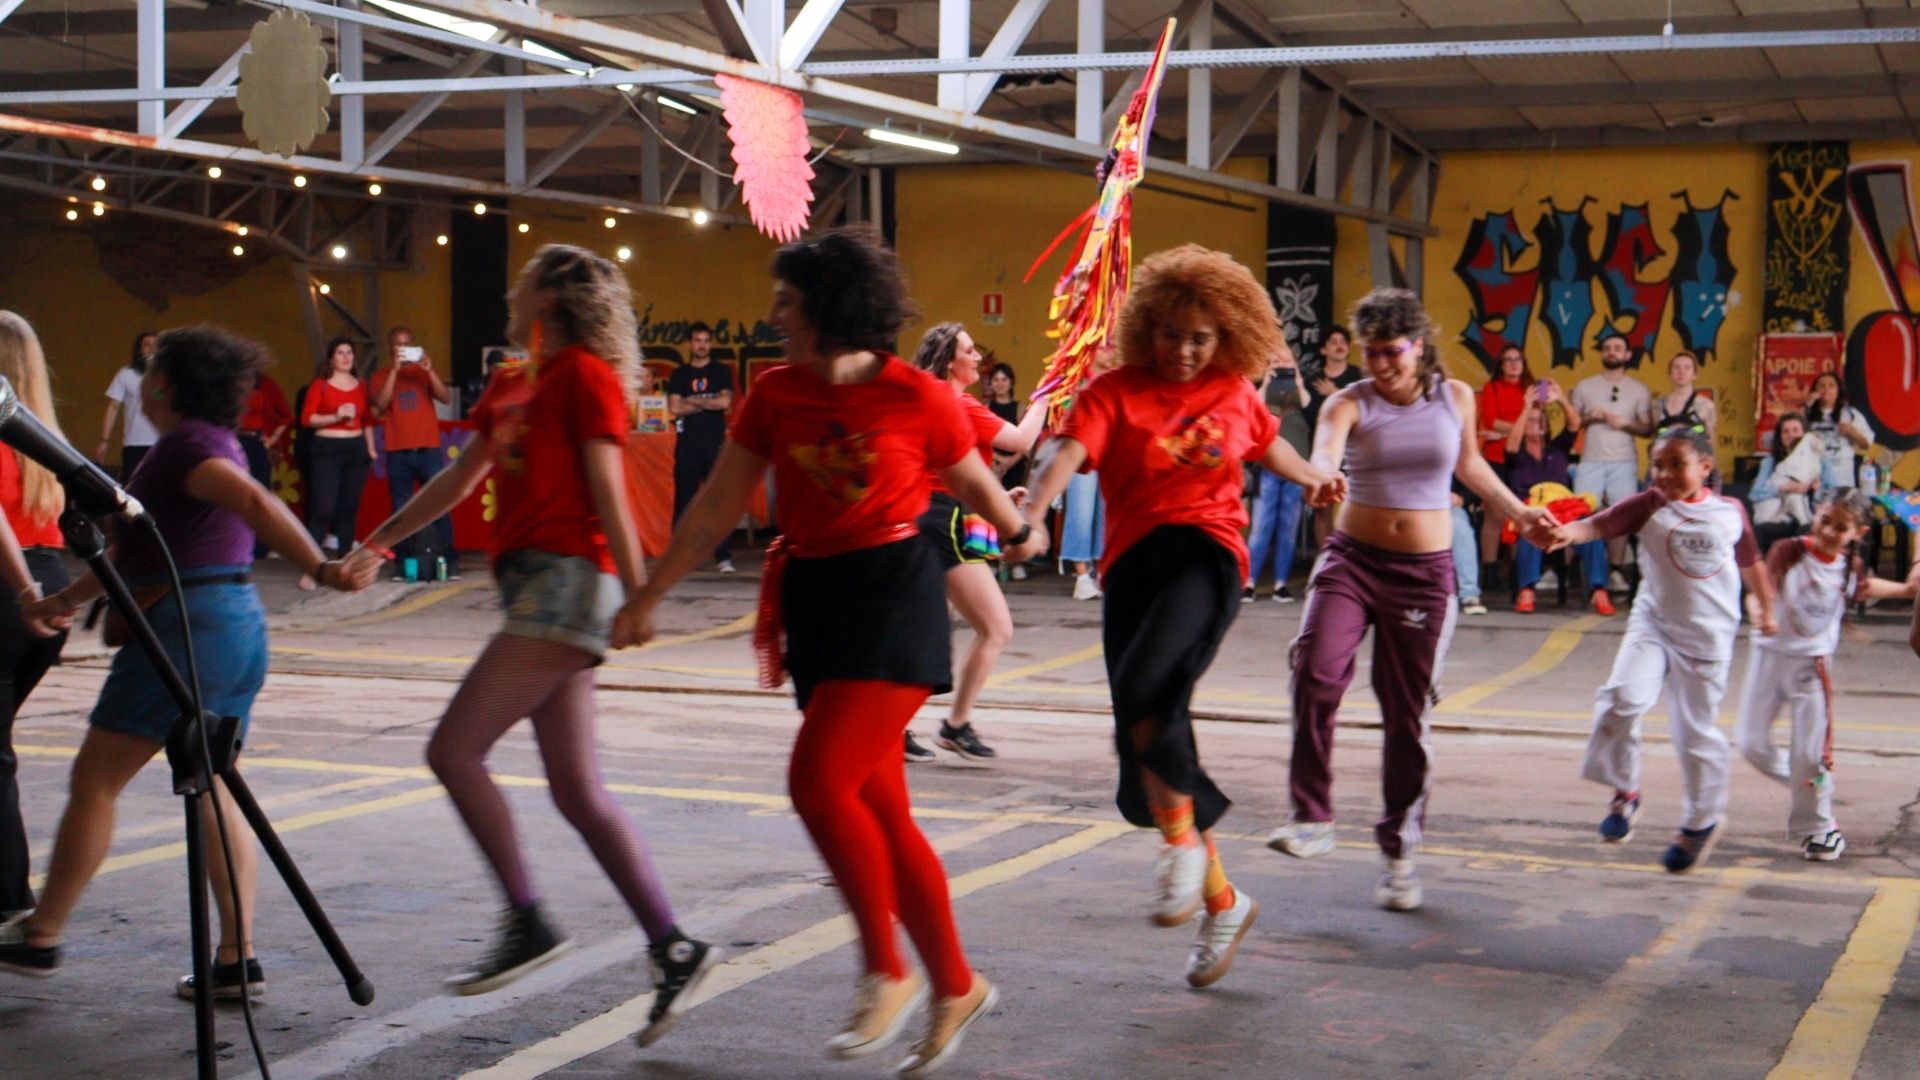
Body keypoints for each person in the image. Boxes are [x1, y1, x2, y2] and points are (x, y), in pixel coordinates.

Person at [622, 226, 1027, 1074]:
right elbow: (712, 508)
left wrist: (1017, 523)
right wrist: (652, 593)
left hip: (893, 597)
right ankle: (956, 983)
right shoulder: (773, 394)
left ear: (830, 310)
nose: (773, 314)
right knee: (881, 808)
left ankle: (887, 968)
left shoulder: (917, 395)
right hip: (816, 602)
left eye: (787, 301)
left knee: (816, 781)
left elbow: (973, 482)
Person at [345, 247, 719, 1040]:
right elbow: (460, 478)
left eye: (523, 282)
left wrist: (642, 592)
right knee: (577, 792)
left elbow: (609, 487)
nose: (510, 290)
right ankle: (674, 945)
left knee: (453, 751)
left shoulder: (583, 376)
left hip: (569, 580)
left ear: (549, 296)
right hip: (531, 584)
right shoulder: (517, 380)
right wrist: (381, 541)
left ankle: (527, 921)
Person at [0, 326, 375, 993]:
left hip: (188, 626)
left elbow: (251, 498)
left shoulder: (185, 449)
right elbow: (132, 553)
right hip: (234, 623)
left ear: (164, 384)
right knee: (212, 778)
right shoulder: (212, 441)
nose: (143, 379)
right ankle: (237, 958)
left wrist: (320, 564)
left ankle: (42, 933)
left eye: (150, 370)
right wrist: (62, 599)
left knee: (95, 782)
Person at [1023, 245, 1340, 986]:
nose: (1185, 352)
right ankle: (1222, 901)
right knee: (1145, 721)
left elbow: (1272, 448)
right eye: (1171, 334)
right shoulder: (1114, 393)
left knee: (1146, 690)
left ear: (1225, 336)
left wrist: (1318, 478)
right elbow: (1062, 457)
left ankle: (1180, 849)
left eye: (1201, 338)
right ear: (1147, 328)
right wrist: (1033, 512)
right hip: (1132, 570)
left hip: (1206, 557)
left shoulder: (1233, 392)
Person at [1272, 288, 1554, 912]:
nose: (1379, 365)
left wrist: (1517, 513)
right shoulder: (1349, 401)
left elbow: (1473, 467)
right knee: (1315, 670)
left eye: (1391, 352)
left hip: (1423, 575)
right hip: (1351, 560)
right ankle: (1311, 816)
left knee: (1405, 717)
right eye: (1370, 353)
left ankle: (1399, 852)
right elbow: (1324, 450)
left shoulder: (1456, 397)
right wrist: (1322, 477)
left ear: (1418, 345)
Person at [1551, 427, 1775, 874]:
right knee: (1621, 699)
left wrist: (1765, 608)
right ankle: (1625, 790)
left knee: (1694, 734)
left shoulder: (1731, 512)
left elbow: (1752, 564)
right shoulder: (1647, 505)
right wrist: (1562, 534)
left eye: (1678, 464)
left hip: (1708, 635)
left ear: (1705, 468)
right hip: (1653, 623)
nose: (1666, 474)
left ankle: (1700, 821)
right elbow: (1595, 525)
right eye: (1658, 465)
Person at [1738, 490, 1917, 861]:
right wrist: (1760, 611)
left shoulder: (1848, 567)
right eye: (1825, 520)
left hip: (1811, 667)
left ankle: (1821, 827)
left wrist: (1905, 589)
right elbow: (1762, 588)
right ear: (1814, 514)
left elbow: (1864, 589)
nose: (1829, 531)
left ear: (1858, 532)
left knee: (1810, 754)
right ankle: (1816, 788)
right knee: (1752, 745)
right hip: (1769, 657)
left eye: (1841, 526)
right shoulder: (1789, 551)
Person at [910, 323, 1048, 763]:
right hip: (942, 522)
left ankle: (914, 724)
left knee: (930, 633)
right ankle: (951, 725)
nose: (978, 358)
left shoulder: (934, 399)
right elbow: (1022, 441)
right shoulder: (959, 404)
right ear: (950, 360)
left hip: (937, 516)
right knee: (994, 628)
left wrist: (997, 497)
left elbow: (958, 472)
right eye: (971, 351)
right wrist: (1050, 389)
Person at [0, 312, 77, 925]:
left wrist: (23, 589)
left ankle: (9, 899)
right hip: (51, 580)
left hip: (14, 588)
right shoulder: (42, 436)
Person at [1505, 380, 1613, 615]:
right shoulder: (1518, 455)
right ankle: (1527, 590)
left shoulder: (1558, 449)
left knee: (1591, 530)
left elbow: (1574, 425)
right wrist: (1526, 408)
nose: (1535, 424)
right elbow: (1511, 446)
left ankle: (1599, 591)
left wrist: (1562, 399)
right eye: (1531, 421)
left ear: (1546, 426)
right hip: (1532, 509)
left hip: (1565, 510)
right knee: (1529, 529)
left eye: (1539, 420)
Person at [370, 326, 460, 581]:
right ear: (391, 349)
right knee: (401, 512)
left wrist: (429, 369)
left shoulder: (423, 372)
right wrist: (395, 372)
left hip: (428, 448)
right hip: (398, 450)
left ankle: (450, 563)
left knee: (440, 505)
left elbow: (445, 398)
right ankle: (402, 564)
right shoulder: (381, 375)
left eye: (408, 344)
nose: (404, 349)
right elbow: (380, 404)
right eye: (399, 345)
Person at [1569, 330, 1654, 584]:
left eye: (1618, 348)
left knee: (1621, 515)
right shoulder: (1585, 386)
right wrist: (1590, 418)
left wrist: (1625, 423)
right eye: (1607, 348)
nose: (1612, 352)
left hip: (1624, 461)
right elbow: (1572, 425)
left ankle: (1615, 569)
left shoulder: (1638, 389)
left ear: (1627, 354)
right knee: (1580, 512)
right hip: (1591, 460)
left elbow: (1647, 429)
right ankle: (1578, 569)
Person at [299, 337, 376, 588]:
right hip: (327, 450)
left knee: (348, 509)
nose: (345, 356)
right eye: (340, 352)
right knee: (323, 509)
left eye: (349, 352)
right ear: (331, 359)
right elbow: (307, 419)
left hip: (355, 450)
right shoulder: (320, 385)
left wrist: (371, 448)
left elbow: (367, 420)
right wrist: (336, 415)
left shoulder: (362, 386)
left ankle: (344, 566)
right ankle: (312, 567)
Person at [666, 322, 736, 574]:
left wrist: (692, 400)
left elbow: (725, 402)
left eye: (706, 340)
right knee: (683, 503)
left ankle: (723, 558)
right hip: (687, 447)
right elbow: (674, 408)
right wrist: (708, 400)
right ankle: (678, 559)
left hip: (714, 446)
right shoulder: (679, 375)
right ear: (689, 344)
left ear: (711, 343)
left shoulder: (721, 371)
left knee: (718, 502)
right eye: (697, 340)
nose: (702, 345)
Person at [1245, 340, 1311, 603]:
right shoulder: (1261, 391)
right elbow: (1251, 410)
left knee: (1288, 527)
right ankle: (1249, 582)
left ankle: (1281, 584)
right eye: (1275, 361)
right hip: (1268, 468)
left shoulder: (1298, 389)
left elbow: (1307, 404)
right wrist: (1266, 381)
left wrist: (1297, 377)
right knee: (1261, 526)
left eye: (1286, 360)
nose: (1281, 366)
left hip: (1296, 469)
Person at [1059, 344, 1120, 601]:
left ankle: (1097, 572)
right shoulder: (1075, 383)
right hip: (1081, 454)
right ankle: (1081, 574)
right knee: (1081, 512)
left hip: (1109, 454)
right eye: (1106, 348)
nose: (1112, 352)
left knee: (1105, 513)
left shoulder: (1114, 383)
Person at [1476, 345, 1533, 576]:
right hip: (1495, 458)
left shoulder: (1530, 389)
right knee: (1495, 514)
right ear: (1500, 365)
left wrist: (1505, 432)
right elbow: (1491, 421)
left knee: (1522, 512)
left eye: (1517, 359)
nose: (1513, 364)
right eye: (1507, 360)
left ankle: (1519, 570)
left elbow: (1535, 426)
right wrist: (1514, 431)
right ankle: (1489, 569)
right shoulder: (1492, 388)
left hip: (1522, 458)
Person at [1304, 325, 1361, 548]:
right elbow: (1309, 420)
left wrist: (1334, 393)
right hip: (1324, 451)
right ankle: (1324, 559)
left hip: (1356, 451)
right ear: (1323, 350)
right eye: (1333, 342)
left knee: (1356, 506)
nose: (1339, 346)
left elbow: (1364, 412)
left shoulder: (1358, 377)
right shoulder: (1313, 380)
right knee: (1323, 509)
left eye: (1343, 341)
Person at [237, 370, 292, 558]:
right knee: (236, 492)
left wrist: (273, 438)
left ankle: (261, 545)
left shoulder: (267, 383)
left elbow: (286, 415)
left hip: (259, 443)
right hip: (234, 442)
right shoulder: (227, 381)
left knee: (261, 493)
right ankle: (236, 544)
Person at [96, 331, 159, 480]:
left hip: (160, 442)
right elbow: (113, 407)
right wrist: (104, 440)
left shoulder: (166, 376)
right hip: (133, 443)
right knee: (133, 485)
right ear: (139, 349)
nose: (151, 349)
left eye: (155, 345)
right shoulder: (126, 374)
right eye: (147, 345)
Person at [1750, 412, 1818, 551]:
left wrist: (1817, 490)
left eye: (1795, 430)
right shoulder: (1770, 462)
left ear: (1805, 435)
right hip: (1779, 517)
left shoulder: (1820, 461)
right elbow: (1754, 494)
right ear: (1779, 437)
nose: (1791, 435)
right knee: (1761, 531)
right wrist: (1785, 488)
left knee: (1806, 530)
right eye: (1785, 431)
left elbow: (1832, 492)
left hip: (1812, 516)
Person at [1803, 372, 1873, 491]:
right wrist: (1807, 405)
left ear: (1838, 390)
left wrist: (1852, 433)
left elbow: (1866, 444)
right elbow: (1792, 434)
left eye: (1831, 385)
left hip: (1841, 473)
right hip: (1813, 474)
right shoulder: (1807, 414)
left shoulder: (1850, 414)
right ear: (1815, 390)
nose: (1826, 389)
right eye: (1822, 386)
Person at [1654, 351, 1717, 442]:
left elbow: (1710, 439)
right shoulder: (1658, 405)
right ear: (1670, 374)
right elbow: (1655, 438)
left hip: (1695, 454)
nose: (1681, 371)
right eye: (1676, 367)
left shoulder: (1706, 405)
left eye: (1687, 368)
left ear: (1695, 375)